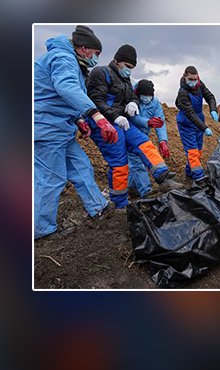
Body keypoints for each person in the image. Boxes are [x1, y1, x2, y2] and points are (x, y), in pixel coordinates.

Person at [33, 25, 113, 239]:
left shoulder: (71, 62)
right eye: (96, 54)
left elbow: (59, 97)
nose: (96, 58)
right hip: (46, 128)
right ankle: (41, 230)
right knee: (50, 179)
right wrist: (96, 116)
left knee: (82, 167)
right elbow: (66, 87)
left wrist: (78, 119)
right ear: (85, 48)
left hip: (61, 128)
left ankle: (98, 208)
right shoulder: (63, 58)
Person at [86, 44, 180, 209]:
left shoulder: (125, 80)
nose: (129, 70)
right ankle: (120, 204)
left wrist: (132, 103)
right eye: (127, 66)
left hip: (122, 122)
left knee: (144, 143)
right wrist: (114, 116)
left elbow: (132, 96)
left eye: (132, 68)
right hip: (103, 123)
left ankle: (164, 178)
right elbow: (95, 100)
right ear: (117, 61)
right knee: (120, 164)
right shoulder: (100, 73)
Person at [175, 66, 219, 185]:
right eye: (191, 79)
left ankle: (189, 173)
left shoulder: (200, 85)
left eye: (195, 79)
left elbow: (210, 96)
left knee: (198, 150)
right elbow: (190, 113)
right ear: (185, 77)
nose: (193, 82)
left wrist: (213, 109)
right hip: (186, 122)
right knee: (192, 151)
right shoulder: (182, 93)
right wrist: (204, 128)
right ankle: (199, 178)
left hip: (199, 119)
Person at [126, 79, 169, 198]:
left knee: (137, 163)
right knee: (136, 163)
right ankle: (146, 191)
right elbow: (132, 118)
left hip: (143, 137)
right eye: (145, 96)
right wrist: (147, 122)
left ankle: (132, 188)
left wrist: (163, 141)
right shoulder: (131, 100)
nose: (148, 98)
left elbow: (160, 121)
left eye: (150, 95)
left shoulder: (154, 103)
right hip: (130, 135)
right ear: (138, 93)